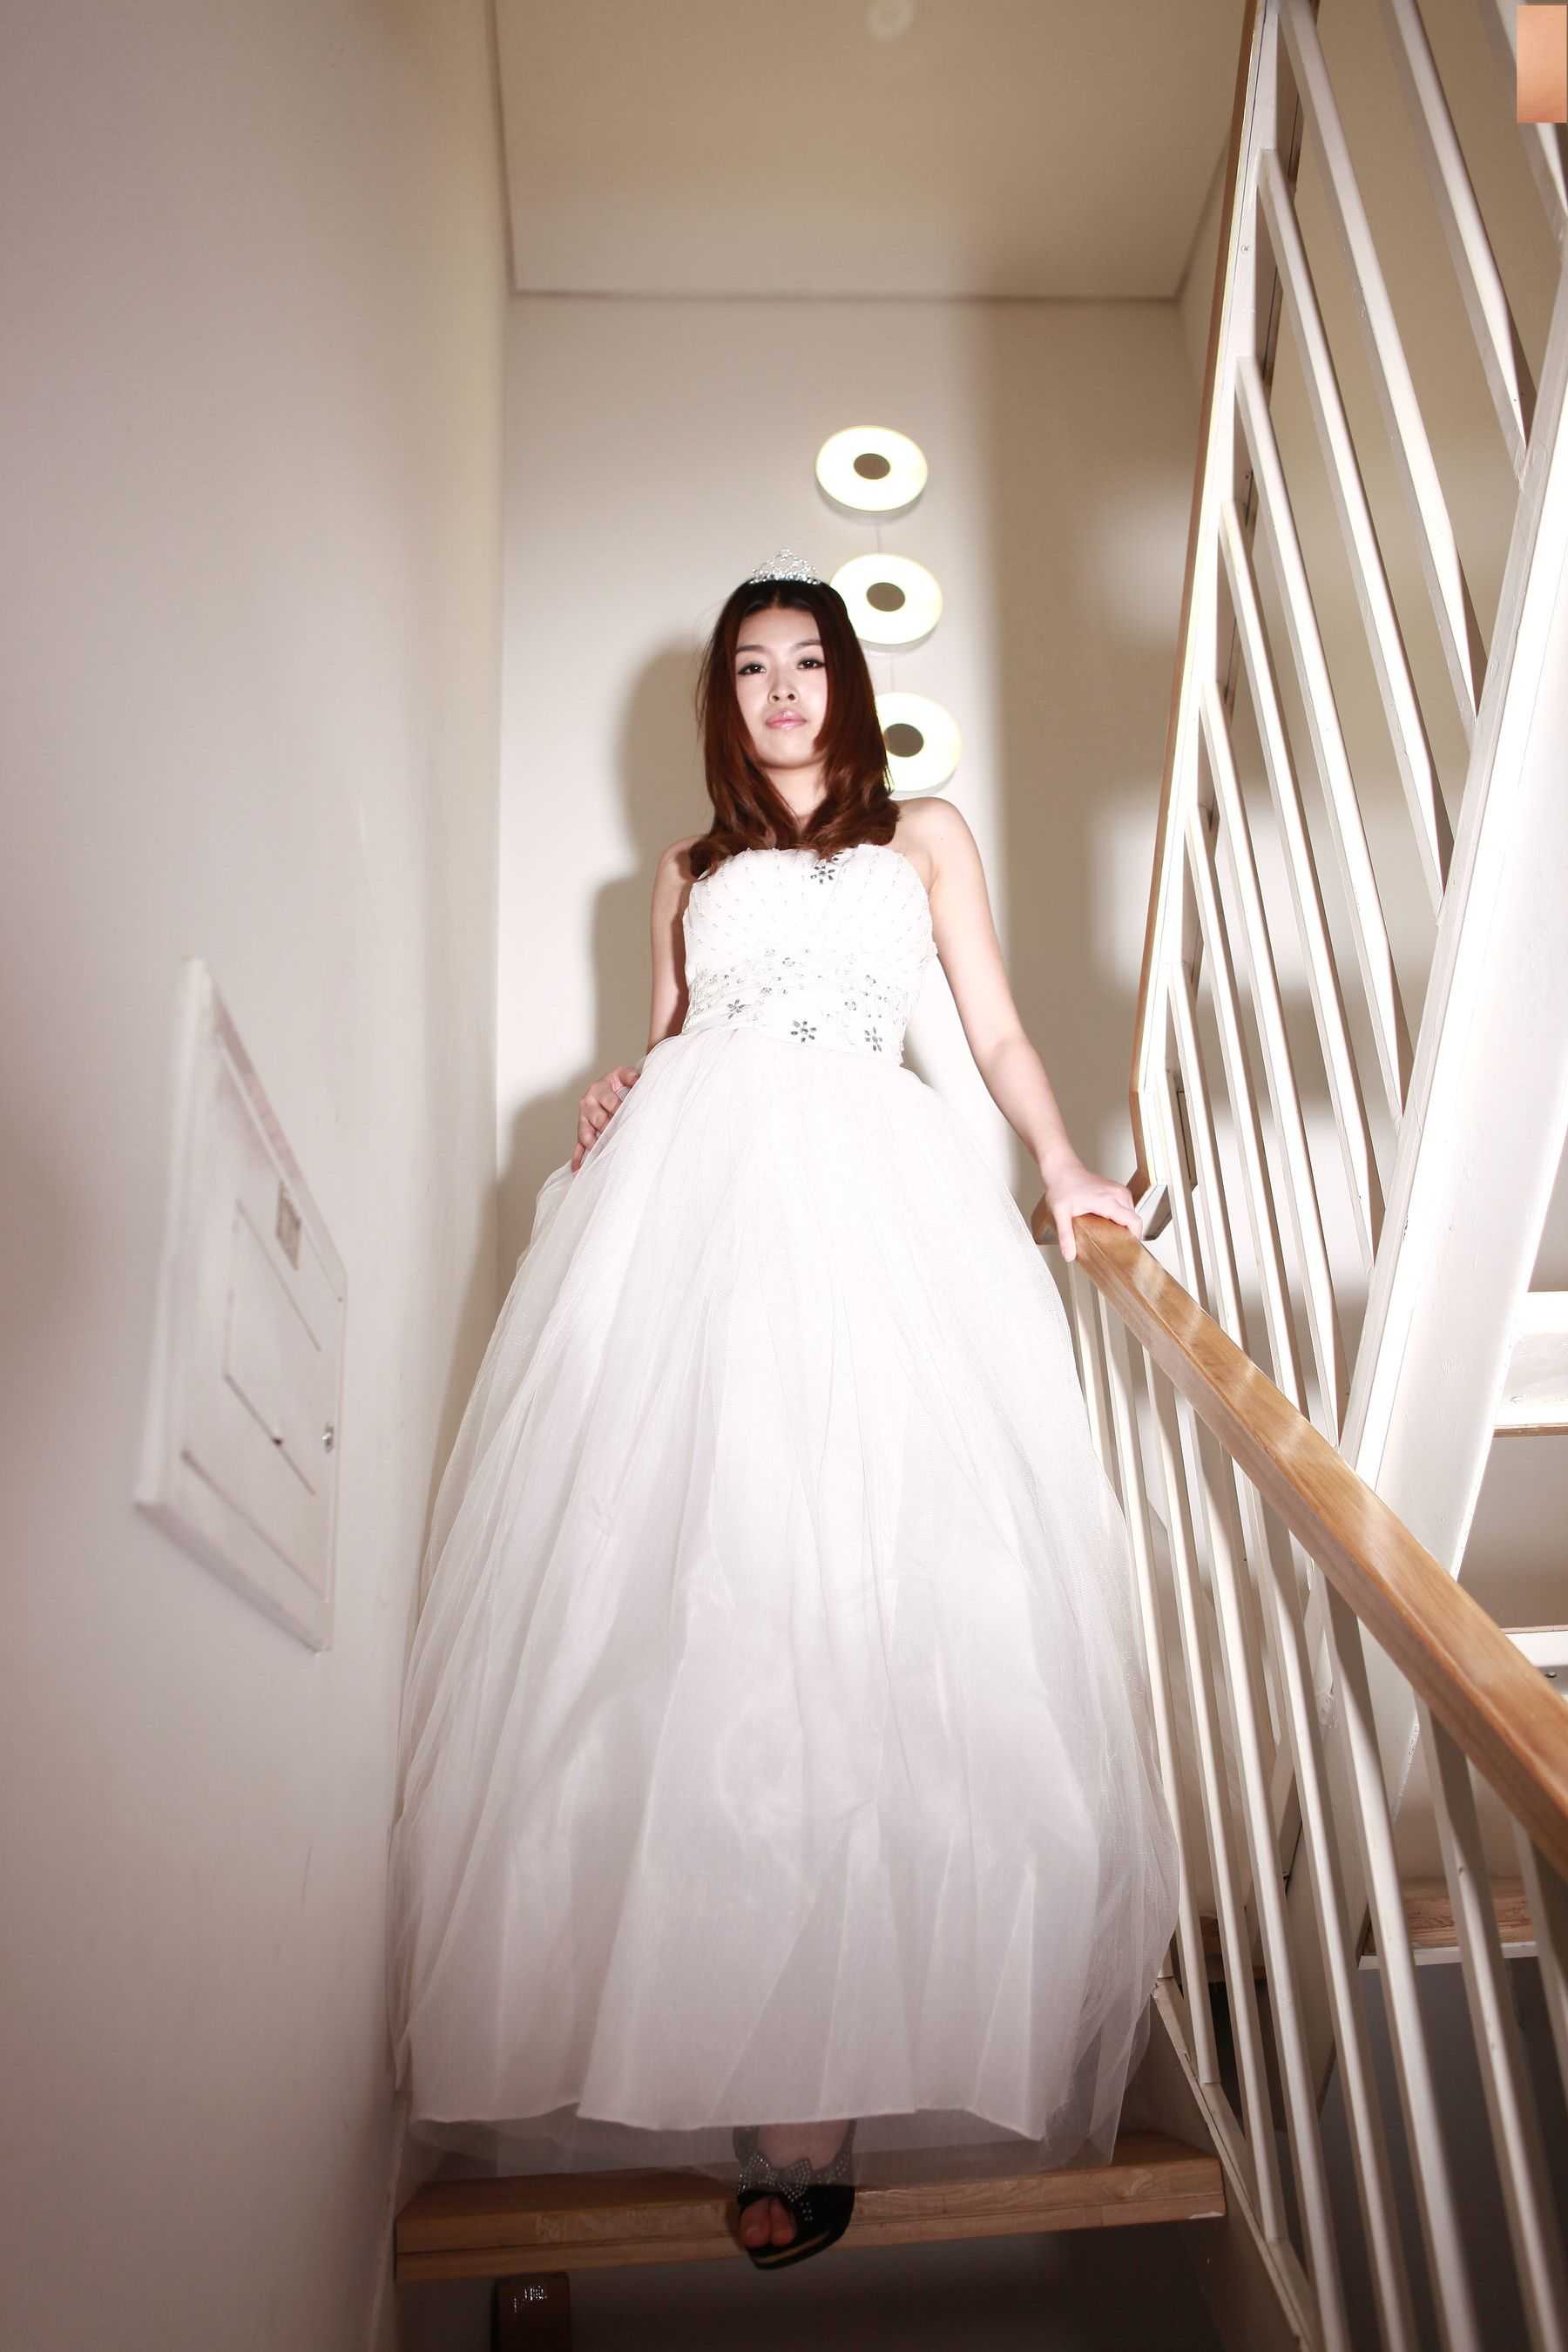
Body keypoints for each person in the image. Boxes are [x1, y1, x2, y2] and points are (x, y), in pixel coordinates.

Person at [386, 551, 1179, 2272]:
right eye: (750, 666)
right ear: (723, 700)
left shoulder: (926, 837)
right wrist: (618, 1089)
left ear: (847, 682)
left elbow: (993, 1034)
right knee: (704, 1588)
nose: (781, 689)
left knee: (873, 1577)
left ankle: (831, 2073)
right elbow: (665, 1041)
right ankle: (739, 2052)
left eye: (806, 659)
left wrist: (1063, 1167)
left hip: (874, 1192)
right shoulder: (682, 873)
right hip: (699, 1201)